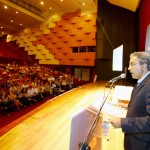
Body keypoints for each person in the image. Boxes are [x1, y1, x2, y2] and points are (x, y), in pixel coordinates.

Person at [110, 52, 150, 150]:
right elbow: (143, 106)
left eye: (132, 64)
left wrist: (123, 123)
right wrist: (128, 106)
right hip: (134, 139)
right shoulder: (141, 82)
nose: (128, 68)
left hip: (142, 143)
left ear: (143, 66)